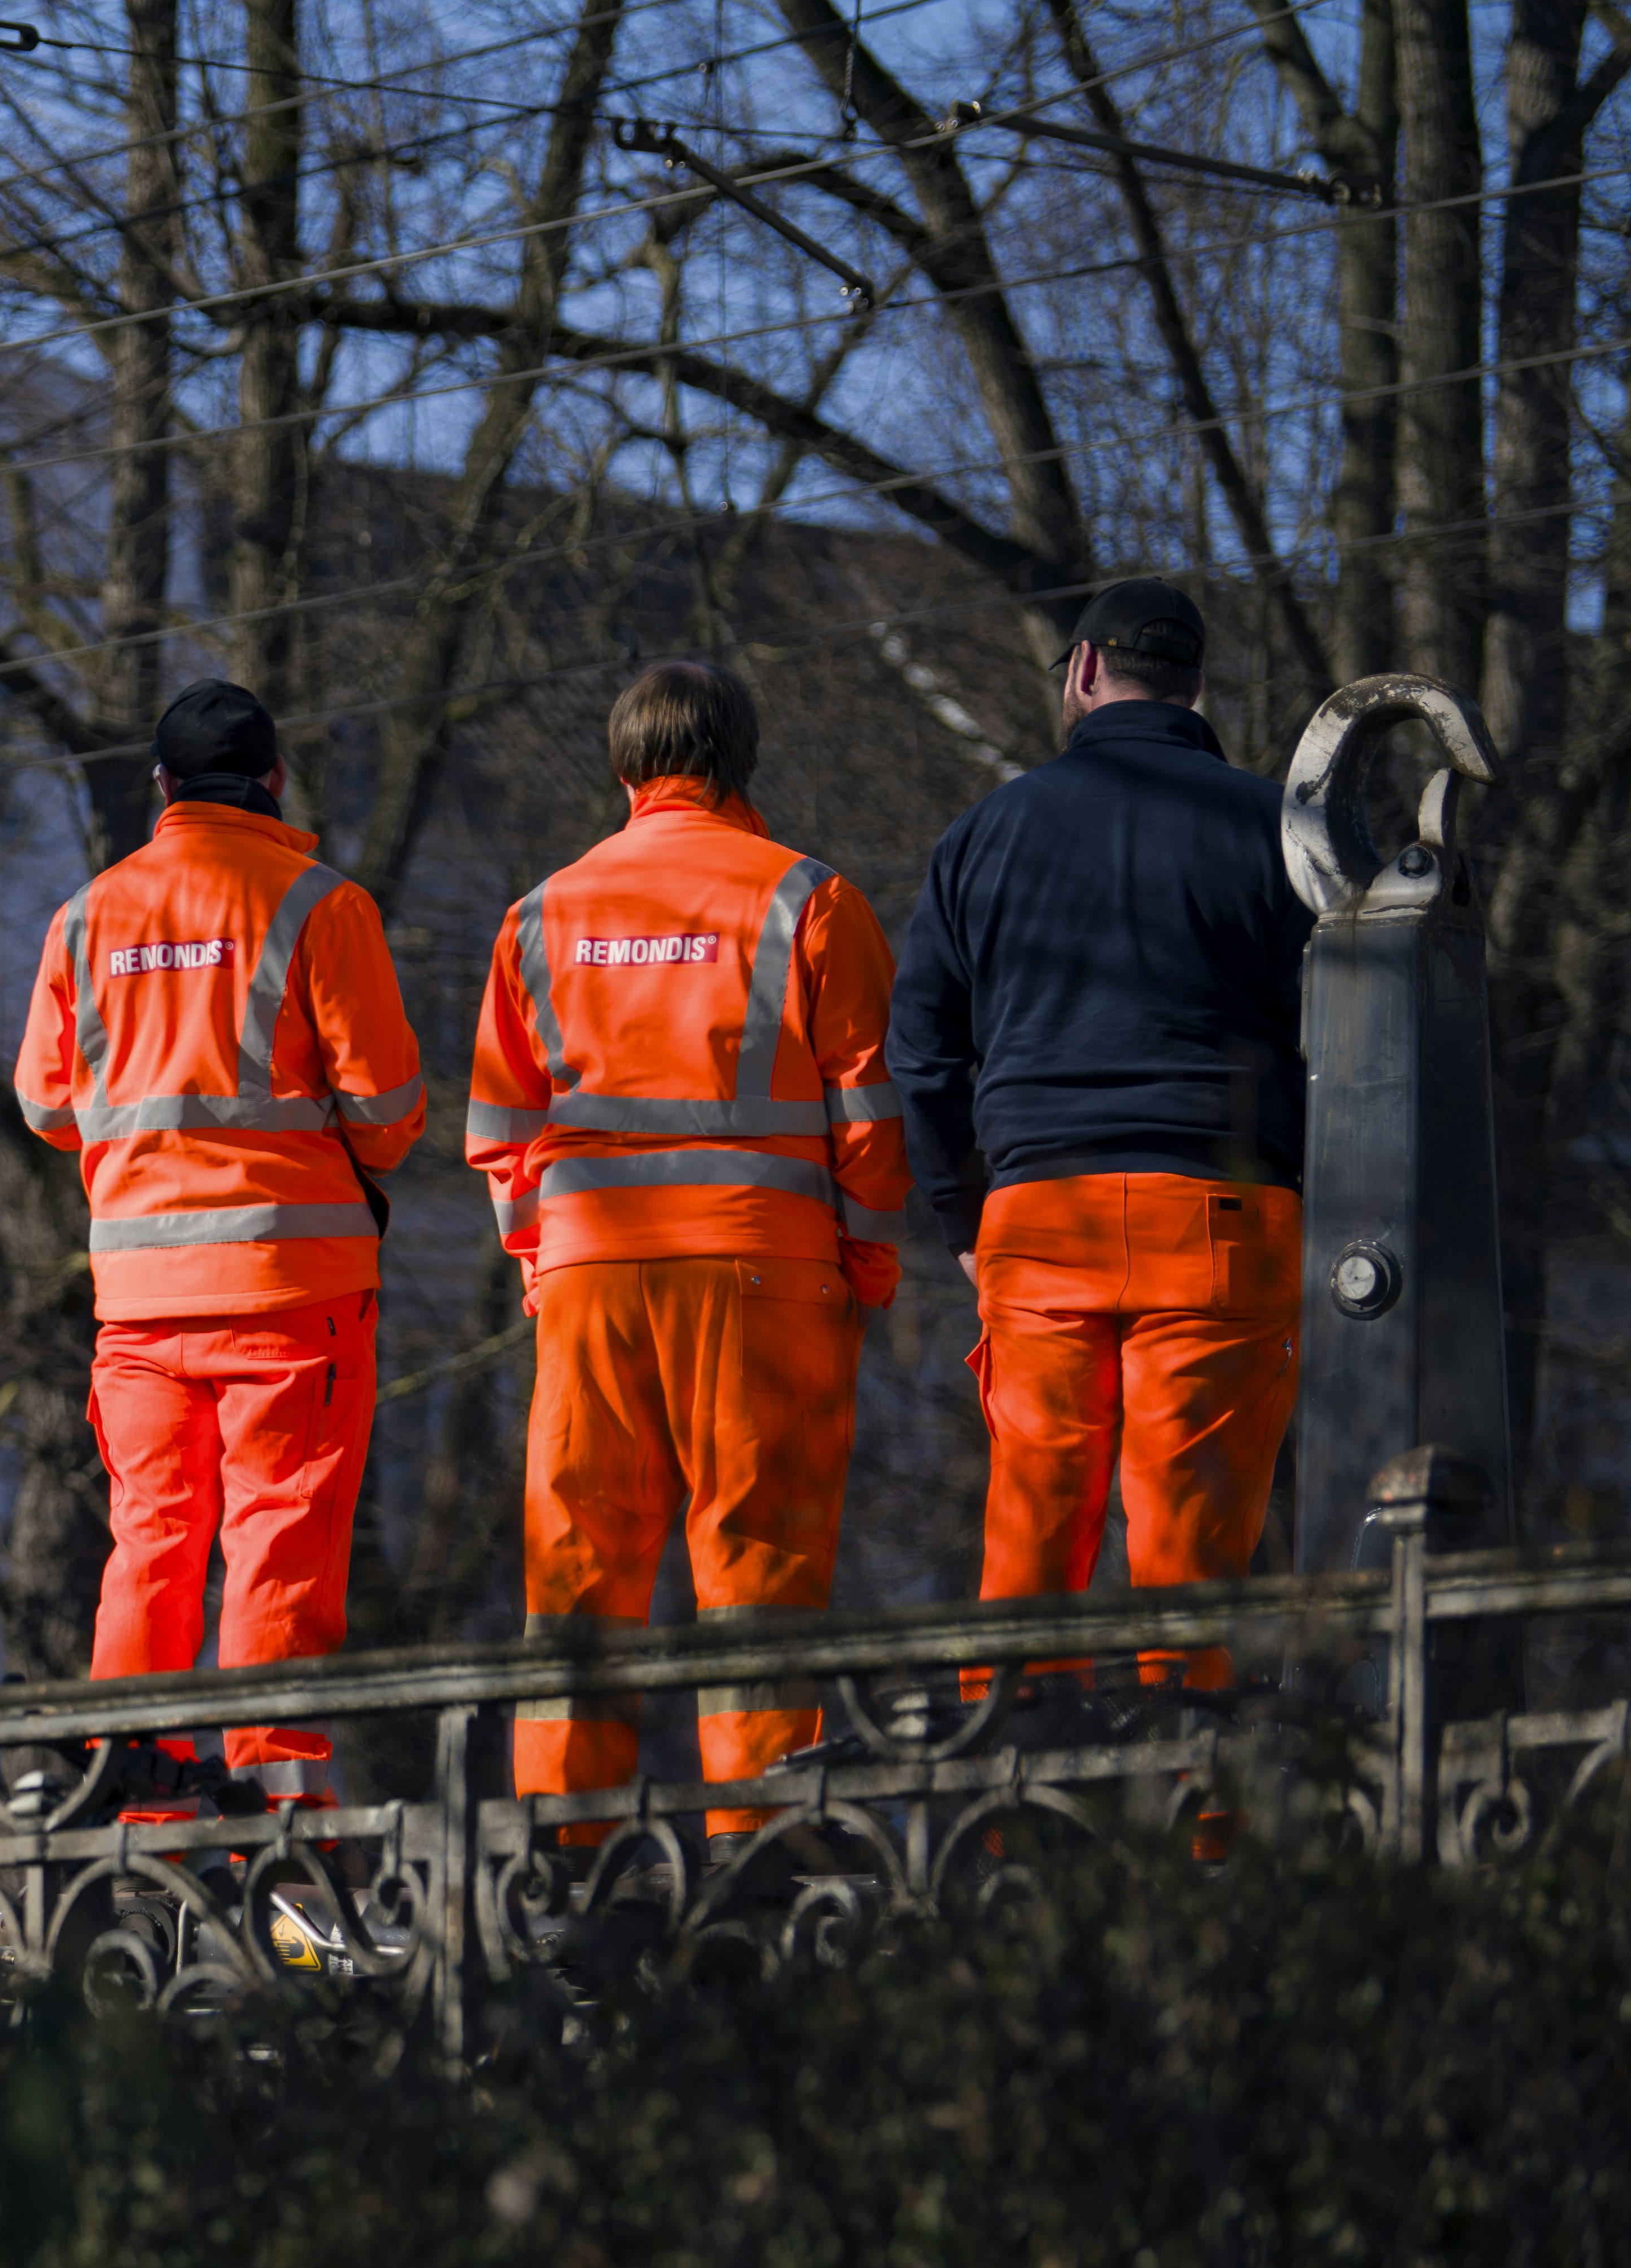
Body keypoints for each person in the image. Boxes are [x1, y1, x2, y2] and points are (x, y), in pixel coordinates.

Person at [467, 660, 910, 1829]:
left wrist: (540, 1265)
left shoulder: (538, 915)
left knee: (576, 1572)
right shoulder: (809, 900)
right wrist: (865, 1266)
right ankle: (758, 1852)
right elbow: (866, 1115)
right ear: (738, 763)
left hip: (591, 1283)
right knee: (760, 1567)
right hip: (766, 1276)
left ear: (624, 770)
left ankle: (566, 1853)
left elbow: (500, 1132)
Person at [886, 578, 1309, 1692]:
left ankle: (1012, 1831)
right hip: (1220, 1210)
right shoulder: (1278, 828)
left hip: (1041, 1217)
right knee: (1193, 1562)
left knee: (1029, 1545)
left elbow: (923, 1051)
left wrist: (961, 1211)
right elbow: (1344, 1036)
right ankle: (1200, 1838)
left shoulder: (987, 833)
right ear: (1197, 686)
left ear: (1081, 672)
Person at [12, 679, 423, 1813]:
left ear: (161, 788)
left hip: (140, 1304)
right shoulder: (321, 906)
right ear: (274, 781)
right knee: (277, 1540)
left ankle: (130, 1797)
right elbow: (389, 1115)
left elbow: (48, 1106)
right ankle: (278, 1814)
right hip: (291, 1290)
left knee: (150, 1542)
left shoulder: (87, 916)